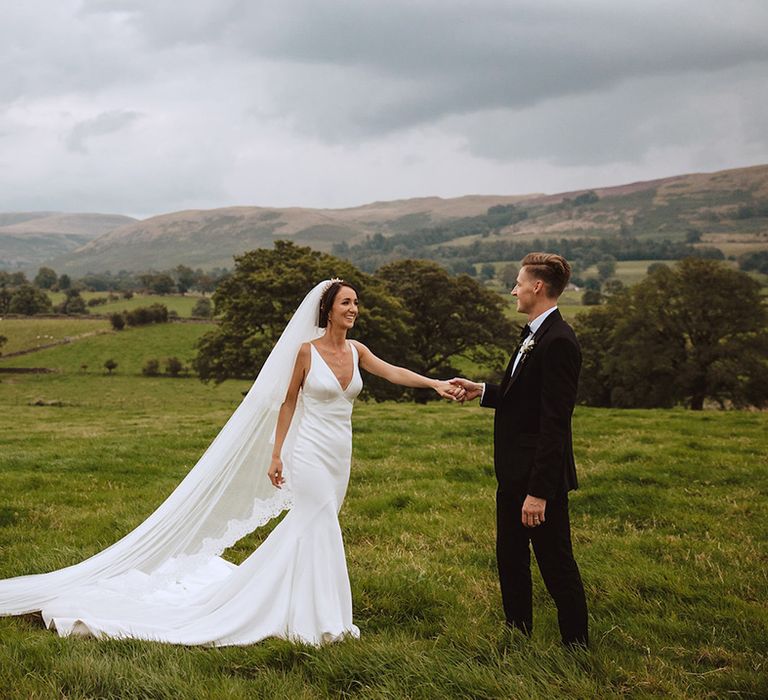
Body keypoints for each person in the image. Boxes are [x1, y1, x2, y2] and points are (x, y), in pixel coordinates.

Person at [0, 279, 460, 646]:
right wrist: (277, 453)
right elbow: (286, 404)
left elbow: (394, 372)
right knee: (317, 522)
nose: (353, 309)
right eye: (346, 303)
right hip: (309, 452)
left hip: (341, 451)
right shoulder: (307, 352)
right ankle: (320, 618)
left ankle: (304, 605)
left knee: (316, 525)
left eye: (356, 303)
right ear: (327, 310)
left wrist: (436, 383)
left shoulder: (357, 351)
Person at [451, 253, 588, 648]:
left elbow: (555, 423)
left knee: (556, 564)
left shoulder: (559, 341)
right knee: (510, 559)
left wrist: (539, 492)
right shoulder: (533, 334)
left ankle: (576, 647)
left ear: (537, 287)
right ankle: (517, 635)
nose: (513, 289)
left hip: (536, 481)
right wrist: (482, 390)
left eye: (518, 282)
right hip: (512, 474)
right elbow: (523, 398)